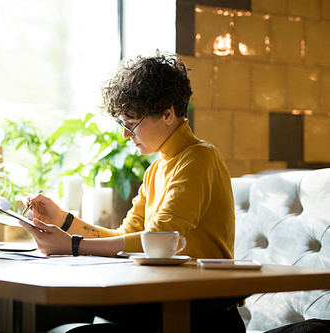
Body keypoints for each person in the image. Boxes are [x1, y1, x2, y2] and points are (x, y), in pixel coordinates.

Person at [19, 51, 245, 333]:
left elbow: (159, 240)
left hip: (201, 317)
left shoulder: (200, 158)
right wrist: (63, 220)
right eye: (122, 122)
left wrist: (73, 246)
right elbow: (125, 238)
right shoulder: (156, 170)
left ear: (167, 114)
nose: (126, 133)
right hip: (160, 304)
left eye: (132, 121)